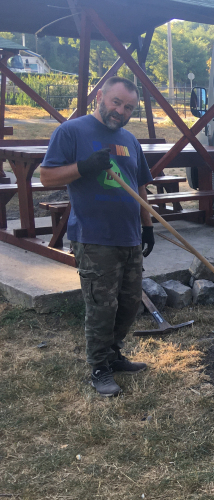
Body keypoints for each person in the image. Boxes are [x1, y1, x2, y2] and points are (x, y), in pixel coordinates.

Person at [40, 76, 155, 396]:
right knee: (101, 306)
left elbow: (139, 185)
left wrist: (147, 226)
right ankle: (99, 367)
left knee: (130, 305)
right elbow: (47, 177)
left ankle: (114, 353)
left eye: (128, 107)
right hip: (94, 236)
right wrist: (85, 166)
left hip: (129, 234)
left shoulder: (131, 140)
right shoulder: (71, 131)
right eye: (116, 102)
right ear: (100, 97)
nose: (121, 111)